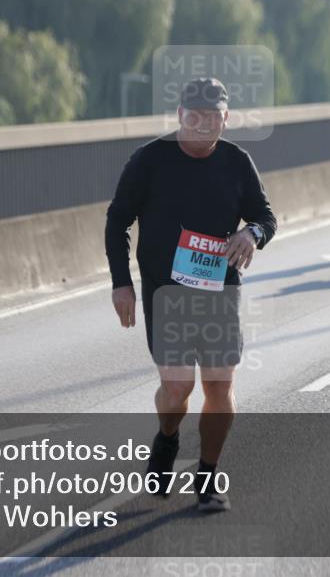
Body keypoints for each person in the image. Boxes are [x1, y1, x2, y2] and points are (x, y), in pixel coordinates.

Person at [104, 77, 277, 512]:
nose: (203, 123)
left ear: (226, 118)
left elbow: (265, 216)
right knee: (178, 387)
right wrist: (121, 283)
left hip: (219, 291)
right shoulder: (149, 160)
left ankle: (208, 475)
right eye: (195, 115)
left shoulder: (237, 162)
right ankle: (167, 437)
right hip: (166, 293)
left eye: (213, 116)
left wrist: (252, 234)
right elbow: (117, 221)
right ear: (180, 115)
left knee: (219, 386)